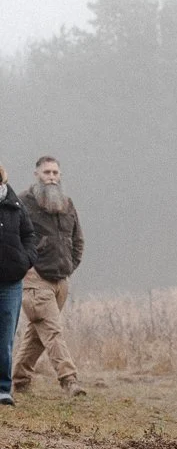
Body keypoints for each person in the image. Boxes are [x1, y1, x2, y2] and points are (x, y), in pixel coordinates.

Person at [12, 154, 85, 398]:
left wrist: (70, 265)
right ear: (37, 175)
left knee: (38, 334)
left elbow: (77, 240)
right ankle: (69, 380)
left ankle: (20, 380)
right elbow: (12, 240)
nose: (51, 177)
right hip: (34, 279)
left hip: (61, 279)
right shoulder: (22, 203)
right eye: (46, 173)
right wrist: (24, 267)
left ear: (60, 175)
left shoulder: (67, 204)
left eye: (55, 173)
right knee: (53, 330)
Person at [0, 164, 38, 407]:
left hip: (11, 282)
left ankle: (3, 389)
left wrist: (26, 260)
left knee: (5, 338)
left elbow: (29, 235)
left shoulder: (15, 205)